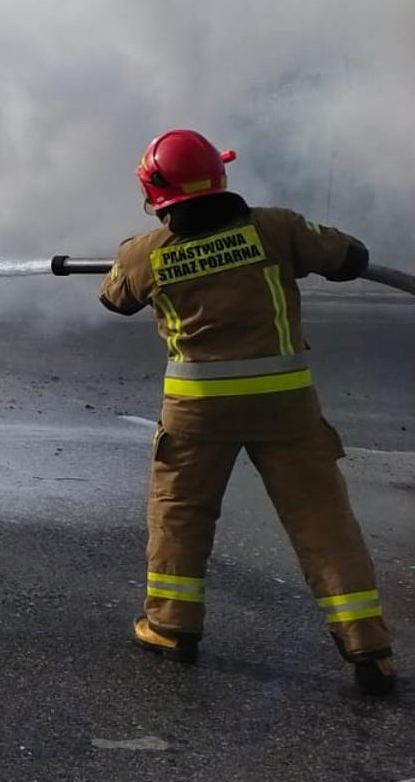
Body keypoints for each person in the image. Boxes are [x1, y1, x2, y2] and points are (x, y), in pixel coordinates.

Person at [98, 129, 393, 694]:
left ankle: (171, 626)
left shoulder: (144, 252)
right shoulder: (277, 229)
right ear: (219, 175)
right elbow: (350, 255)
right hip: (285, 410)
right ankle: (368, 644)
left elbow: (115, 298)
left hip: (197, 414)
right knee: (323, 522)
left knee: (179, 517)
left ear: (154, 190)